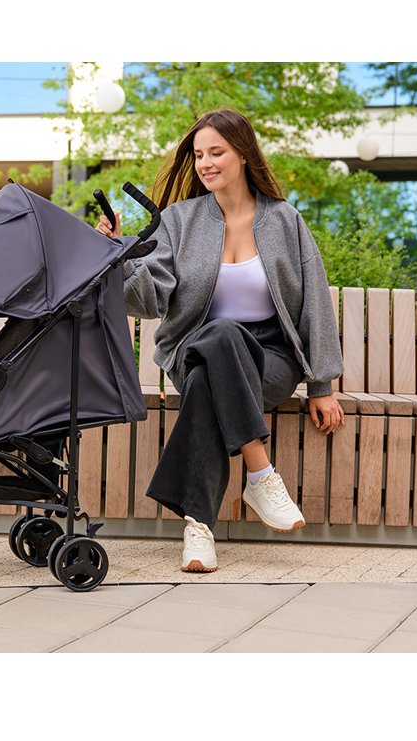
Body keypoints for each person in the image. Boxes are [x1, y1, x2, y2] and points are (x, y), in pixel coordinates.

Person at [95, 108, 344, 573]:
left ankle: (198, 528)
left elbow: (314, 301)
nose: (205, 163)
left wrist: (321, 385)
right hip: (193, 348)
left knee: (207, 382)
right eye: (198, 155)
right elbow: (149, 300)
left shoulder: (284, 220)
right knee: (218, 338)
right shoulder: (179, 220)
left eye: (216, 152)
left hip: (270, 357)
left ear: (243, 154)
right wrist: (117, 258)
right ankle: (260, 474)